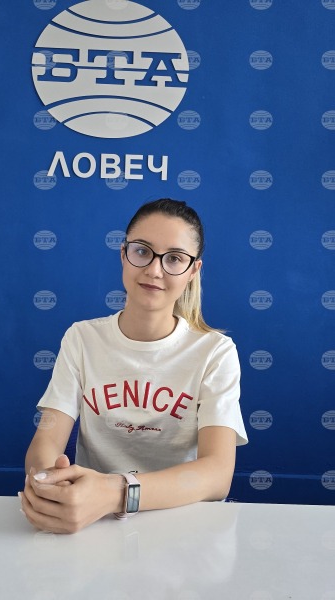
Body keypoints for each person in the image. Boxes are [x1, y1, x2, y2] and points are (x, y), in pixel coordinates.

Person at [20, 198, 248, 533]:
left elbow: (217, 475)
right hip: (95, 525)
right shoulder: (82, 338)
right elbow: (46, 441)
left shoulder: (215, 352)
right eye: (142, 251)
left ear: (193, 271)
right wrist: (51, 485)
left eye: (174, 258)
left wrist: (116, 493)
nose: (154, 270)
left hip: (182, 527)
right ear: (123, 254)